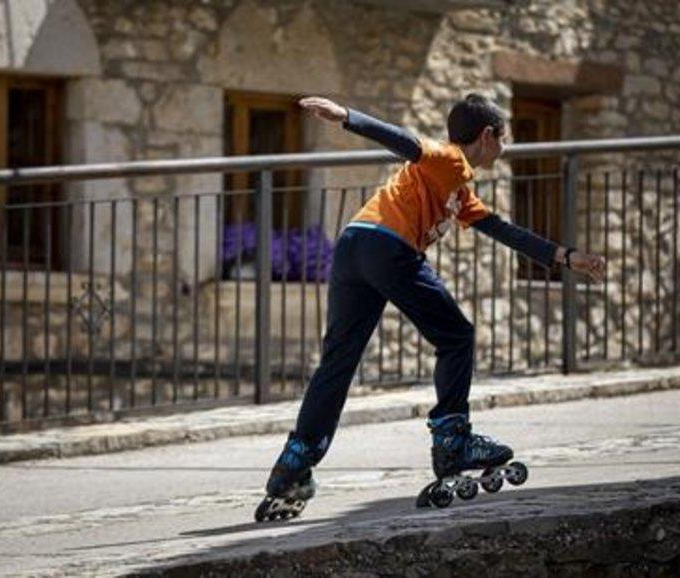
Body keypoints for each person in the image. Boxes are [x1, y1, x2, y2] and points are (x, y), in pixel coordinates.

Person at [255, 93, 607, 521]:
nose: (505, 149)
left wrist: (565, 257)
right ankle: (453, 440)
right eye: (505, 140)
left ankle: (294, 465)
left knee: (338, 360)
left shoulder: (457, 190)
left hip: (354, 245)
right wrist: (347, 116)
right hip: (388, 248)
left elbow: (500, 229)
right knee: (457, 336)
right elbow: (405, 141)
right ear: (487, 136)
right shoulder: (450, 160)